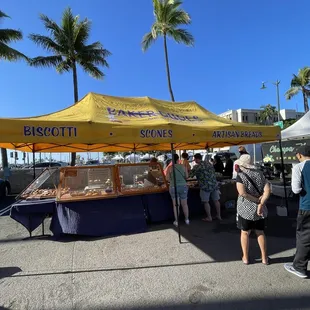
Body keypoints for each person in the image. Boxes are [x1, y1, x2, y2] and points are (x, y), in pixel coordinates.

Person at [235, 154, 271, 265]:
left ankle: (245, 257)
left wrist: (255, 200)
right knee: (260, 232)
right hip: (260, 209)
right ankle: (264, 258)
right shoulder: (260, 173)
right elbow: (267, 191)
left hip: (245, 208)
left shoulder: (241, 175)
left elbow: (243, 193)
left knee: (245, 233)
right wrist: (261, 202)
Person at [284, 145, 310, 278]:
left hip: (307, 206)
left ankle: (299, 267)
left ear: (299, 155)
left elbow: (296, 189)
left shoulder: (299, 167)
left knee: (304, 237)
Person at [190, 153, 221, 221]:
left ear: (196, 159)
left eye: (194, 159)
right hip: (214, 184)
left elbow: (190, 175)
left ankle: (209, 217)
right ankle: (218, 215)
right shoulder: (209, 163)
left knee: (206, 202)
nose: (194, 160)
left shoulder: (197, 167)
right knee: (216, 201)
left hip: (205, 186)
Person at [166, 154, 189, 227]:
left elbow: (167, 179)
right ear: (178, 159)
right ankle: (187, 220)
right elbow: (187, 176)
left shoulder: (169, 168)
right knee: (185, 204)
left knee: (176, 205)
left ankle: (176, 221)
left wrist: (173, 179)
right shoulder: (183, 166)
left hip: (173, 187)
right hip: (183, 186)